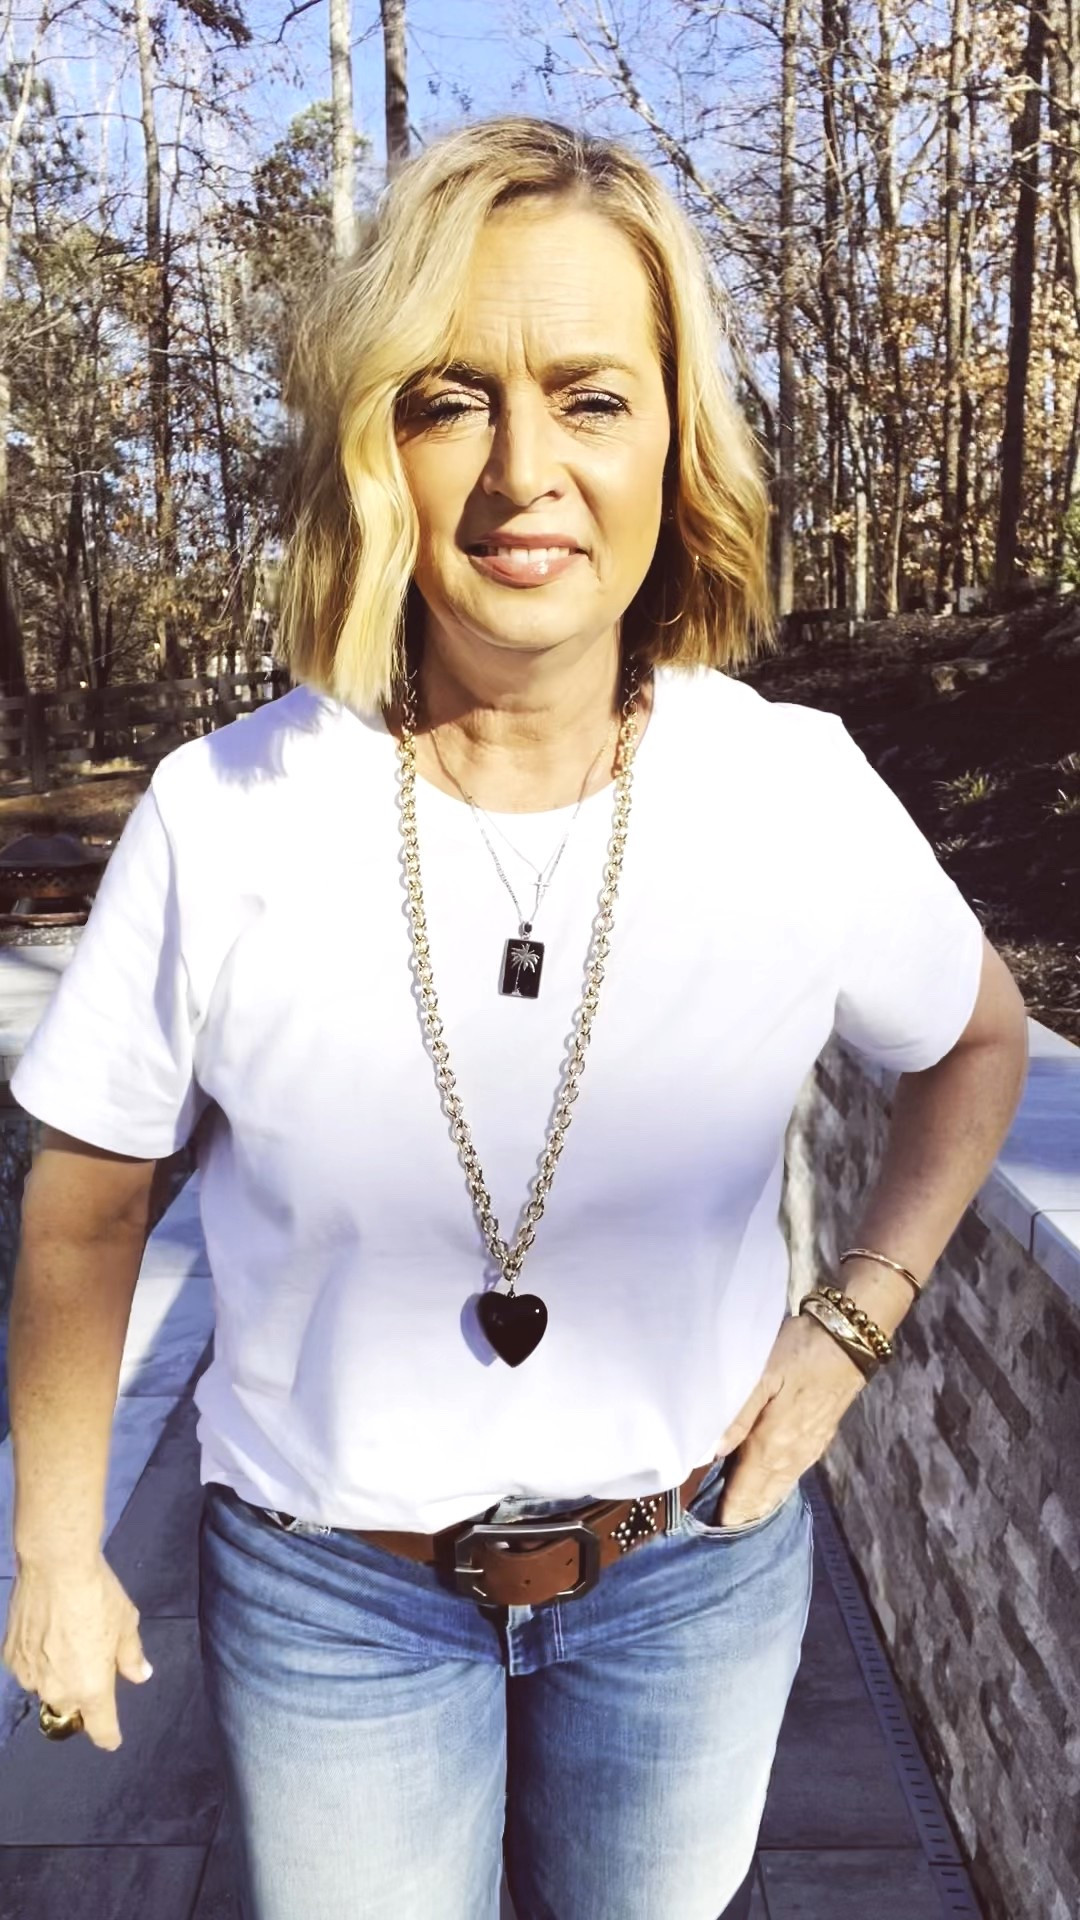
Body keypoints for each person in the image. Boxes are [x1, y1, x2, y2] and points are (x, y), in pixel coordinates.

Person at [2, 116, 1028, 1920]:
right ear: (372, 446)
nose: (522, 470)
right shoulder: (226, 814)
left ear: (675, 441)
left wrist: (850, 1327)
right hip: (332, 1602)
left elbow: (976, 1040)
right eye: (451, 398)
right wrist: (56, 1552)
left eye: (591, 397)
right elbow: (85, 1210)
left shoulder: (791, 791)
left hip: (690, 1576)